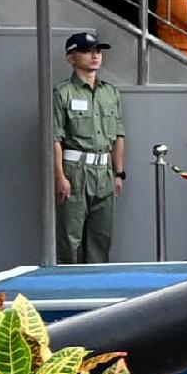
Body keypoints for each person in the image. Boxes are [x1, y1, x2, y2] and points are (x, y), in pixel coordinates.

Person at [48, 29, 125, 263]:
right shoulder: (63, 93)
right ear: (71, 58)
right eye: (86, 51)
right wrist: (60, 176)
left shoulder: (110, 93)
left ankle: (98, 292)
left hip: (104, 171)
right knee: (69, 239)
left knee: (101, 237)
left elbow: (119, 135)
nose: (95, 56)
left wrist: (118, 172)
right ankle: (67, 290)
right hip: (75, 170)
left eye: (98, 51)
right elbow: (54, 138)